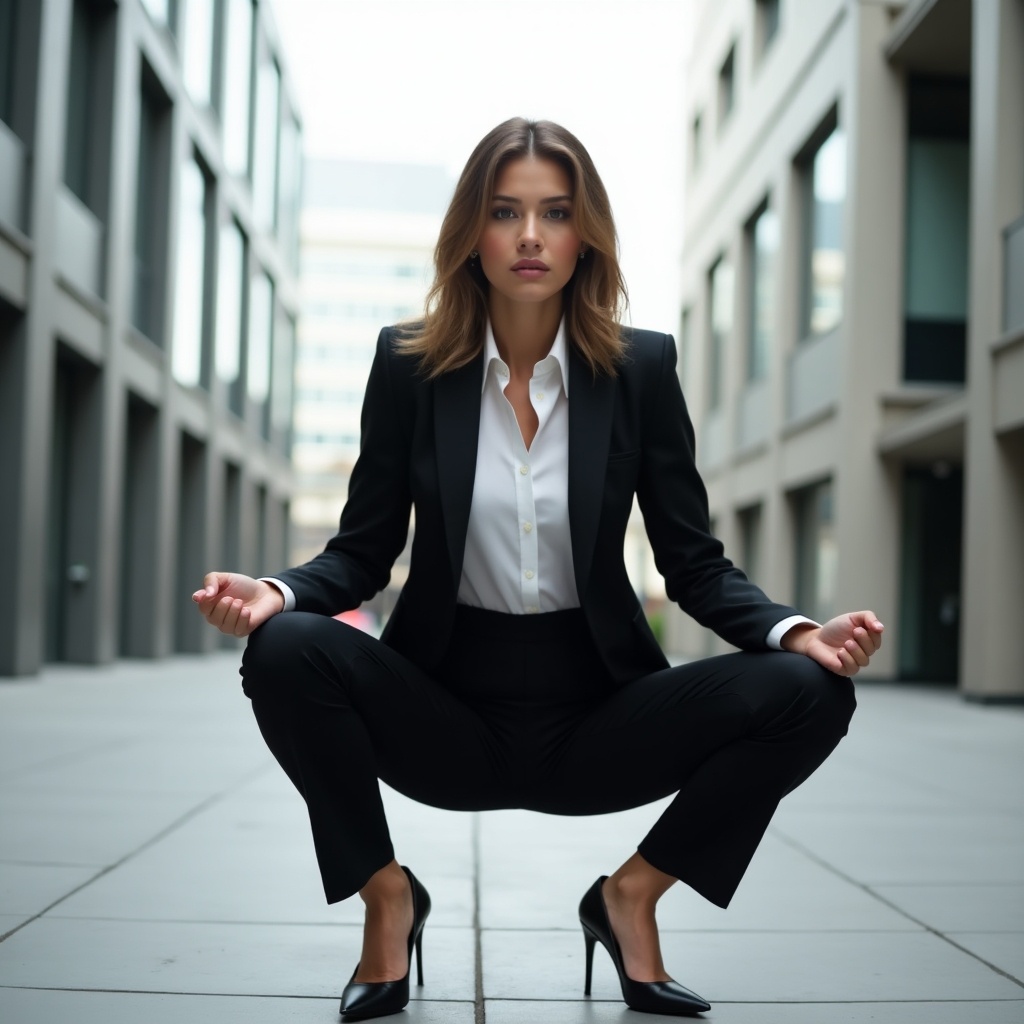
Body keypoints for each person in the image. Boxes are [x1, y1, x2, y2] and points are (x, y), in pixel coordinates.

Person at [193, 117, 882, 1020]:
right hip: (443, 711)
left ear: (582, 232)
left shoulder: (640, 368)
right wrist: (277, 593)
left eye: (554, 213)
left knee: (815, 691)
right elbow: (363, 549)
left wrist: (796, 631)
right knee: (283, 652)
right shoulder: (409, 367)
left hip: (598, 713)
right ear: (470, 234)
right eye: (504, 211)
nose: (529, 236)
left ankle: (628, 898)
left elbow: (694, 563)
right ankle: (388, 901)